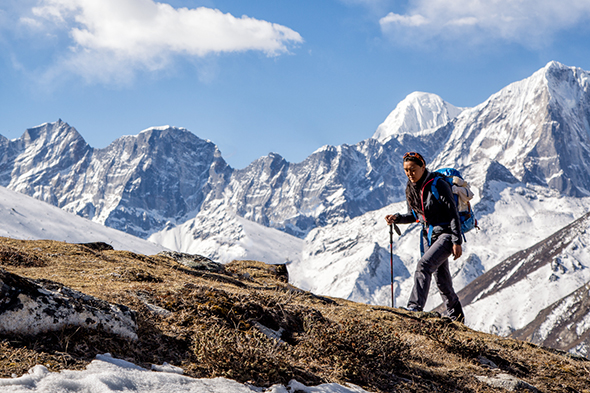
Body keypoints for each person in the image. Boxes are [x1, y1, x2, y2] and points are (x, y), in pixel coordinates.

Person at [385, 151, 465, 322]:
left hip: (446, 235)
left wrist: (457, 241)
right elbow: (415, 215)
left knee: (424, 266)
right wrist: (397, 218)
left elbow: (453, 215)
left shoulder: (438, 184)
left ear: (422, 166)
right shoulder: (411, 188)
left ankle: (414, 307)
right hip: (429, 236)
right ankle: (457, 317)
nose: (409, 174)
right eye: (406, 170)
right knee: (442, 280)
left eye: (413, 169)